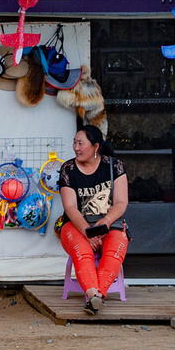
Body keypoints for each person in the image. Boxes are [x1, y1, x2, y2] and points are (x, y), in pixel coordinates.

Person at [57, 124, 129, 313]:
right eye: (74, 142)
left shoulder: (114, 166)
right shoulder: (69, 169)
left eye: (81, 143)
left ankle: (96, 296)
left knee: (116, 248)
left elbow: (121, 202)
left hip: (108, 224)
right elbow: (70, 207)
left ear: (95, 147)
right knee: (82, 251)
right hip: (75, 225)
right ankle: (93, 295)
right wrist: (88, 233)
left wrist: (104, 224)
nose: (76, 148)